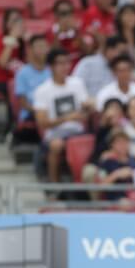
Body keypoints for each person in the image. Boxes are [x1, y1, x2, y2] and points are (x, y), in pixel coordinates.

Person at [34, 48, 92, 185]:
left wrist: (88, 108)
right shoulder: (43, 90)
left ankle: (82, 183)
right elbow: (42, 122)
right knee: (56, 145)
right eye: (60, 63)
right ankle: (54, 183)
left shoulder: (77, 83)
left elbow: (85, 107)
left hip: (78, 130)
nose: (65, 67)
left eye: (67, 63)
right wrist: (67, 118)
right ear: (51, 67)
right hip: (55, 133)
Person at [0, 9, 26, 116]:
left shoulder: (24, 41)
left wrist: (29, 43)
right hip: (0, 80)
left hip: (19, 79)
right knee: (14, 89)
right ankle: (12, 124)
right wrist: (12, 39)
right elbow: (2, 63)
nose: (17, 24)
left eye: (19, 20)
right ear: (6, 23)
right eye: (14, 21)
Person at [13, 34, 51, 136]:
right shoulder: (22, 73)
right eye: (39, 47)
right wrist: (41, 112)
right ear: (30, 50)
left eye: (44, 47)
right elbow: (23, 103)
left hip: (52, 114)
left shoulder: (52, 71)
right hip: (31, 115)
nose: (42, 50)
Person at [98, 128, 135, 201]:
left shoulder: (133, 160)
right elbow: (101, 186)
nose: (123, 145)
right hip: (117, 197)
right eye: (119, 143)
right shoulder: (107, 162)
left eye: (125, 142)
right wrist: (116, 175)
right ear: (112, 144)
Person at [47, 0, 83, 69]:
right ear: (55, 15)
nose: (67, 16)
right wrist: (59, 33)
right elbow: (51, 56)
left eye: (70, 12)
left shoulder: (78, 30)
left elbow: (87, 52)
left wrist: (76, 32)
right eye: (63, 13)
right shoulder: (50, 32)